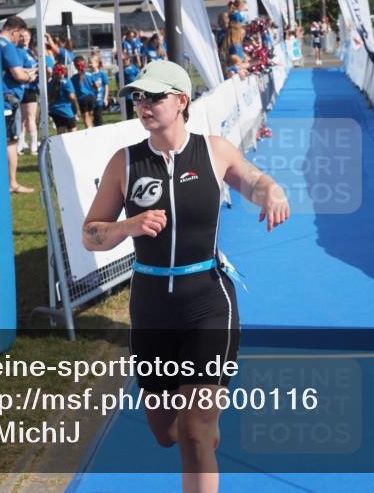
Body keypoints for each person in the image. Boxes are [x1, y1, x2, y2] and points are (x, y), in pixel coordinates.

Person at [82, 60, 290, 490]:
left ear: (181, 100)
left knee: (194, 435)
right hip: (152, 306)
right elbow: (90, 235)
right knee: (167, 433)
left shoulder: (213, 150)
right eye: (138, 97)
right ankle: (202, 422)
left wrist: (272, 190)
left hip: (208, 302)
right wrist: (126, 227)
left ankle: (203, 422)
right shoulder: (124, 162)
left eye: (154, 96)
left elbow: (252, 181)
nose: (143, 105)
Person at [0, 16, 38, 193]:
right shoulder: (8, 46)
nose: (19, 40)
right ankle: (12, 183)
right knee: (11, 142)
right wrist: (29, 76)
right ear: (14, 31)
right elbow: (17, 74)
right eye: (19, 35)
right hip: (8, 99)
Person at [16, 29, 40, 155]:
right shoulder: (19, 52)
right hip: (24, 88)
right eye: (22, 36)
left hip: (31, 88)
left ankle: (25, 145)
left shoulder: (31, 52)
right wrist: (35, 69)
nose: (24, 38)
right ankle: (31, 146)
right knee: (27, 118)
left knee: (27, 118)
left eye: (26, 36)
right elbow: (18, 69)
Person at [71, 55, 109, 128]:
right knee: (90, 115)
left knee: (86, 116)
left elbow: (72, 90)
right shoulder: (90, 75)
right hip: (92, 97)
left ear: (76, 66)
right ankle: (91, 128)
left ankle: (89, 129)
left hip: (82, 98)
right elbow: (96, 86)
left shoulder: (74, 78)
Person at [46, 63, 79, 134]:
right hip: (66, 111)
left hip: (54, 111)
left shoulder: (50, 83)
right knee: (73, 131)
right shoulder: (67, 82)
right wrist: (75, 111)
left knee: (60, 131)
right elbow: (72, 97)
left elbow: (48, 98)